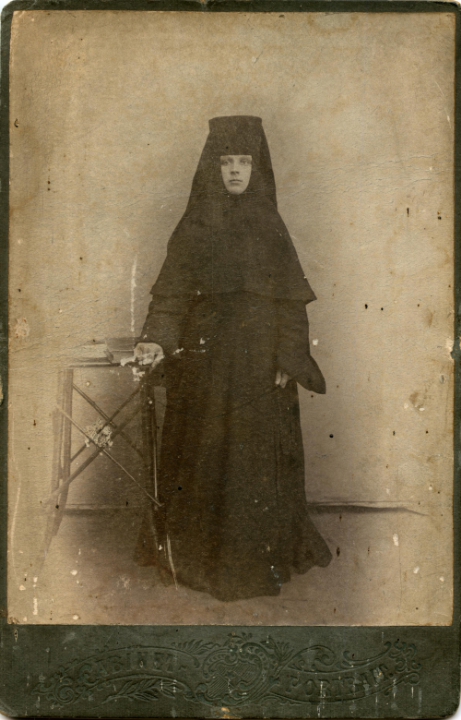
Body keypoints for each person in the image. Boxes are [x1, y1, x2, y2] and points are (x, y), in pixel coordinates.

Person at [134, 115, 332, 602]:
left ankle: (257, 558)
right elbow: (171, 296)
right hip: (204, 362)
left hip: (260, 364)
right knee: (202, 452)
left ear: (257, 167)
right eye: (227, 162)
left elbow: (290, 301)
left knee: (254, 458)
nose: (236, 171)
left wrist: (288, 355)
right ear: (213, 167)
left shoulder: (271, 225)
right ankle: (199, 556)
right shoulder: (194, 225)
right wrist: (156, 340)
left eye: (244, 161)